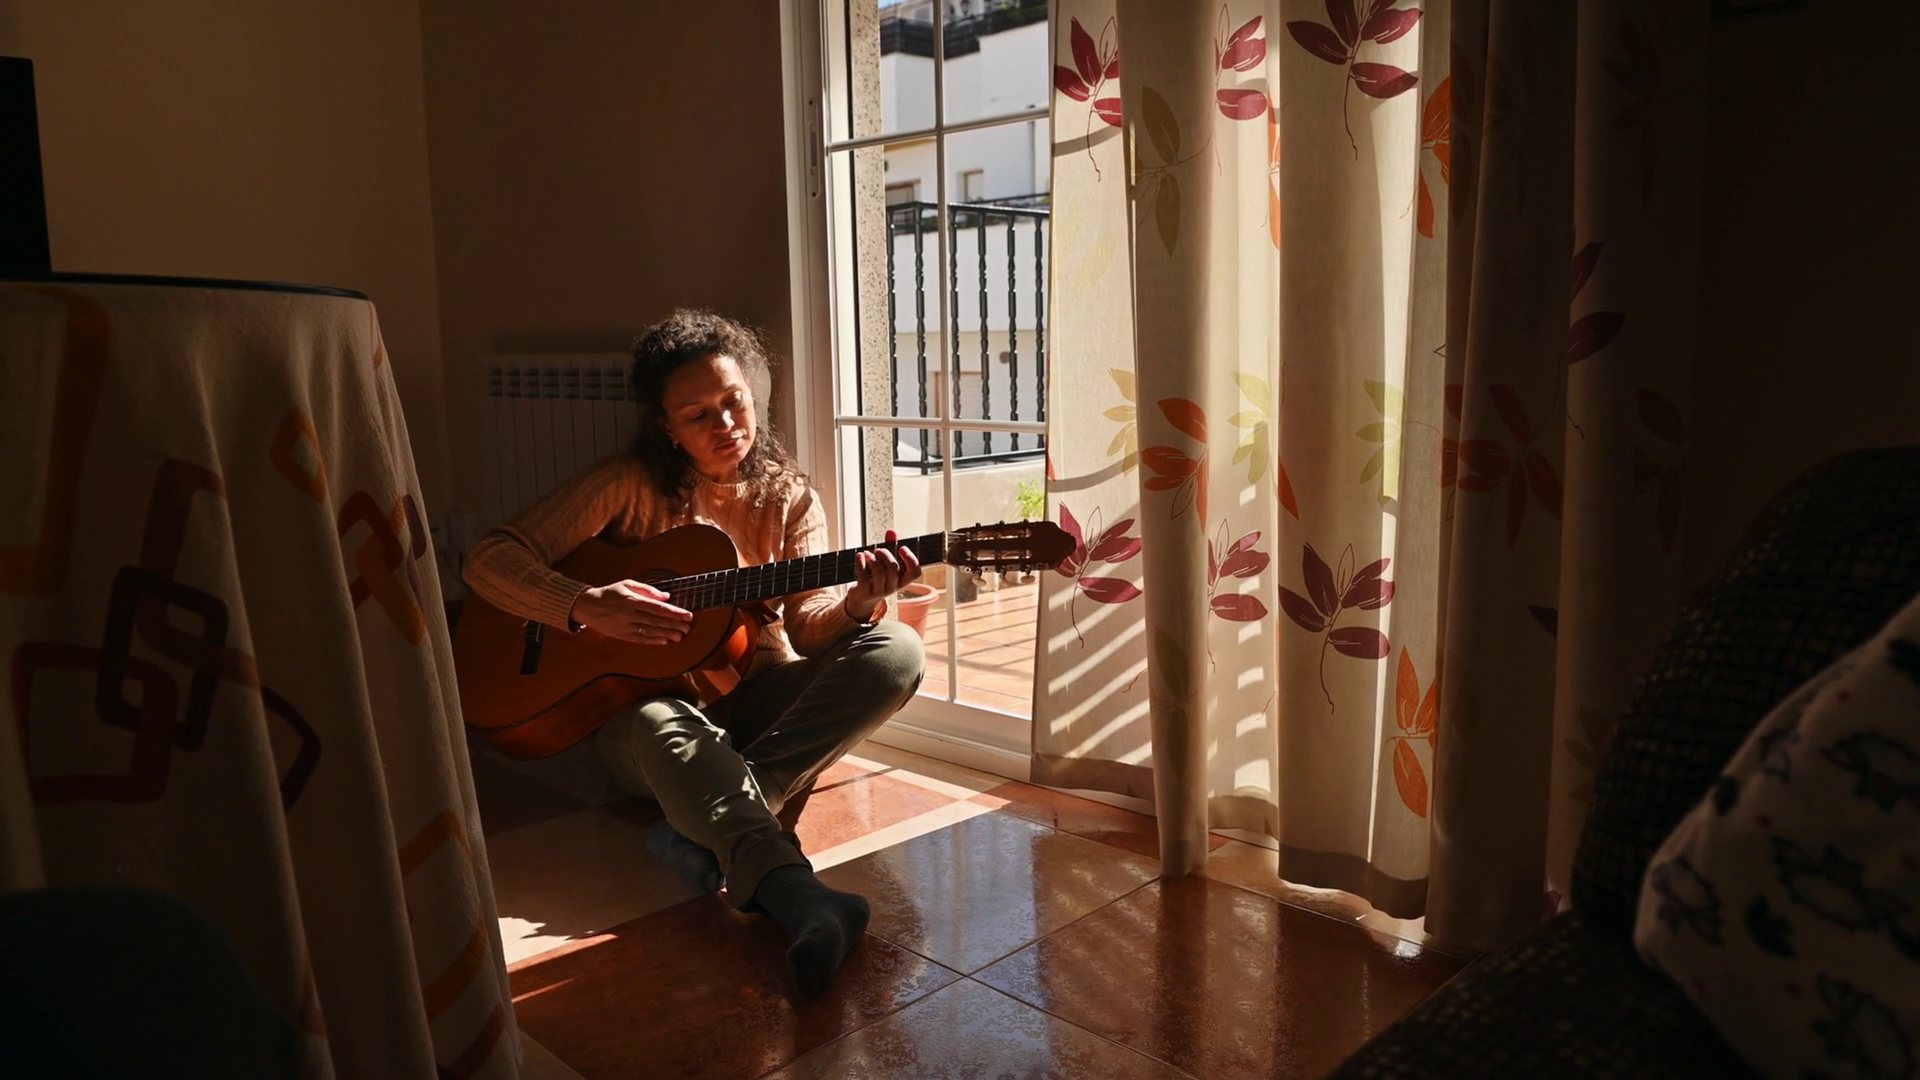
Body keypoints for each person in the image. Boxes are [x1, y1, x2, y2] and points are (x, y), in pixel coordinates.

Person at [462, 309, 926, 998]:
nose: (725, 423)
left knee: (897, 647)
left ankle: (714, 817)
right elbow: (490, 557)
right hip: (641, 720)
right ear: (666, 427)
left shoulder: (788, 497)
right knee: (661, 722)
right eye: (698, 414)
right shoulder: (627, 484)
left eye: (734, 401)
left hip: (754, 700)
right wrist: (581, 604)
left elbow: (809, 628)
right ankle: (805, 901)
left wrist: (858, 603)